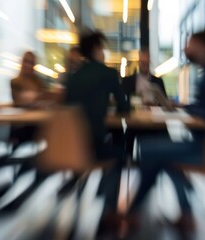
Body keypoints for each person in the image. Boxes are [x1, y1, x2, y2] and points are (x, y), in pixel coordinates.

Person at [126, 30, 205, 231]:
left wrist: (187, 108)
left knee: (149, 150)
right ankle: (182, 214)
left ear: (201, 46)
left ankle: (134, 212)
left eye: (189, 45)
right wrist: (186, 107)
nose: (185, 49)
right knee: (163, 157)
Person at [64, 30, 130, 212]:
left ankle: (85, 187)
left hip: (72, 145)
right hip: (95, 145)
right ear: (95, 49)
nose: (104, 52)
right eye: (102, 48)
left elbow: (67, 109)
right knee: (120, 154)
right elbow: (124, 107)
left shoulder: (72, 78)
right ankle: (107, 206)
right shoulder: (108, 73)